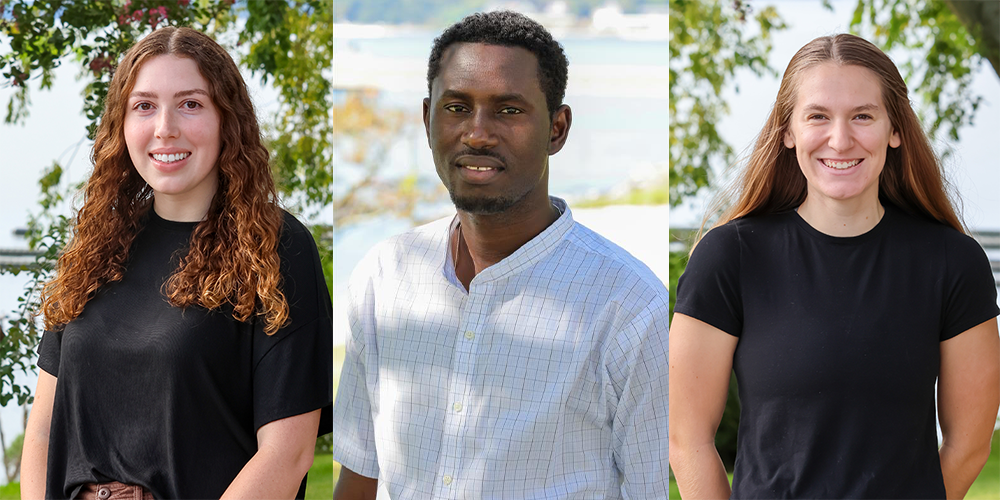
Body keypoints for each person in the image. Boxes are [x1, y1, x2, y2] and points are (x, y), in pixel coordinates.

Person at [330, 10, 669, 500]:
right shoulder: (385, 275)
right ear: (427, 117)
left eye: (508, 110)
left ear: (557, 128)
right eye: (456, 107)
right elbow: (361, 476)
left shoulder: (630, 307)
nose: (478, 133)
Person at [669, 33, 1000, 499]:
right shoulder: (730, 257)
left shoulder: (952, 262)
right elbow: (687, 439)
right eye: (818, 116)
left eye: (863, 116)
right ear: (788, 131)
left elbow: (969, 446)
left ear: (895, 129)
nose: (840, 139)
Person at [20, 27, 333, 500]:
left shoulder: (276, 247)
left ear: (228, 119)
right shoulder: (97, 246)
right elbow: (42, 430)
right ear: (121, 125)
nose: (165, 127)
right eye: (144, 105)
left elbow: (287, 454)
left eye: (190, 104)